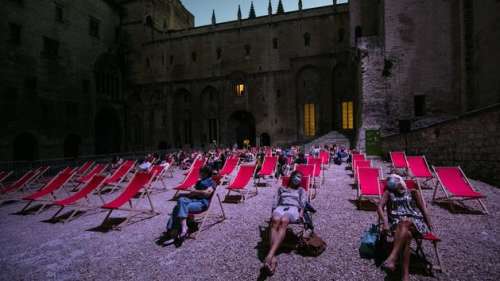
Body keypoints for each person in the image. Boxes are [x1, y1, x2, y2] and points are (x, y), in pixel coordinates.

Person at [377, 174, 434, 281]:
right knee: (407, 235)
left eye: (395, 183)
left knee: (406, 221)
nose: (394, 186)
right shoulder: (389, 193)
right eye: (391, 184)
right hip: (397, 224)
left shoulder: (413, 192)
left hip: (416, 223)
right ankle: (405, 275)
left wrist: (430, 224)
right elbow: (379, 207)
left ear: (401, 182)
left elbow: (423, 209)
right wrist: (385, 223)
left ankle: (392, 257)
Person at [263, 171, 307, 275]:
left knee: (284, 220)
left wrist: (301, 213)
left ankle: (270, 256)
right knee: (275, 220)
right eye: (297, 176)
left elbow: (303, 203)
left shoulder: (301, 190)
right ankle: (272, 257)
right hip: (281, 207)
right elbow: (275, 202)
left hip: (293, 209)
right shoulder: (282, 188)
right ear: (292, 177)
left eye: (300, 177)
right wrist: (272, 212)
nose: (298, 179)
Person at [165, 166, 215, 243]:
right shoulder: (198, 182)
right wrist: (187, 193)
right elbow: (191, 194)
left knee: (177, 208)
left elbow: (207, 193)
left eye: (200, 172)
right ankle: (183, 228)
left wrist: (195, 191)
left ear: (205, 173)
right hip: (193, 201)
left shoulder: (211, 182)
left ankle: (173, 232)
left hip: (201, 204)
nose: (199, 174)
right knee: (181, 200)